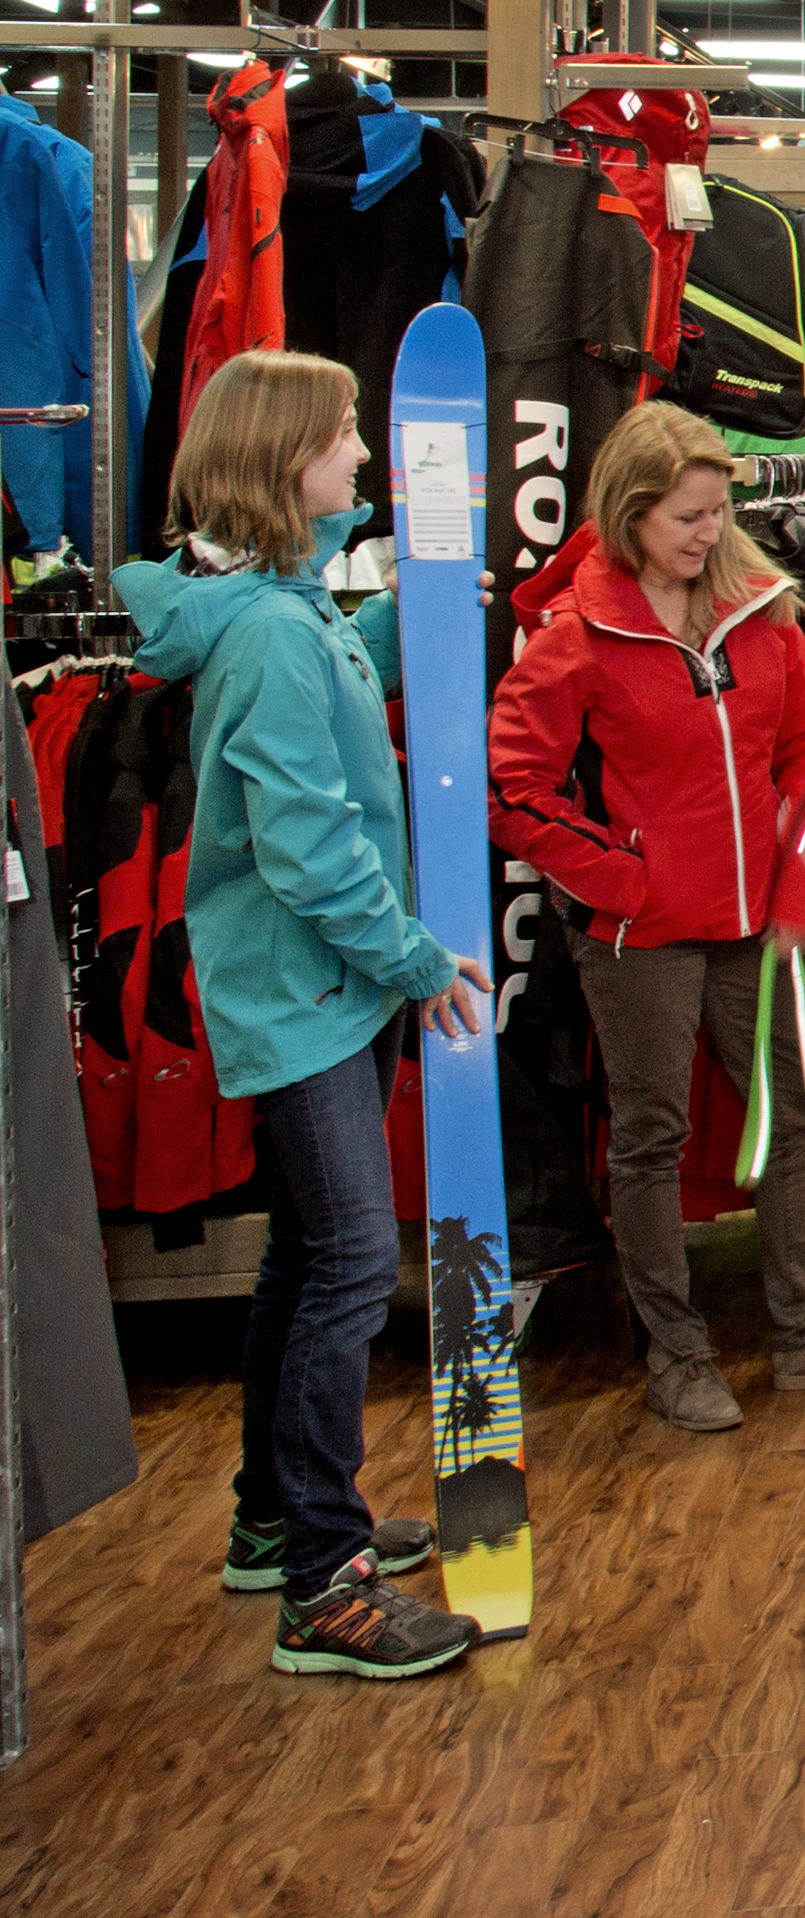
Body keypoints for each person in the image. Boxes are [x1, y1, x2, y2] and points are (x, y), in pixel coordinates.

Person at [116, 349, 487, 1678]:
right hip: (315, 988)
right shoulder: (270, 628)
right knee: (343, 1267)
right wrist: (413, 960)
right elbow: (307, 843)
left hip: (313, 988)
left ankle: (274, 1521)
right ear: (288, 459)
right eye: (345, 437)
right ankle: (323, 1587)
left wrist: (419, 618)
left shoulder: (279, 606)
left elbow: (324, 673)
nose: (365, 458)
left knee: (299, 1256)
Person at [487, 398, 805, 1431]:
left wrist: (803, 882)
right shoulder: (573, 636)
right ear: (628, 511)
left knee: (796, 1115)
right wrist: (621, 879)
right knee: (650, 1137)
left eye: (718, 512)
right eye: (688, 516)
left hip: (760, 924)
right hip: (638, 935)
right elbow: (513, 790)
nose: (708, 533)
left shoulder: (760, 607)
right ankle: (676, 1353)